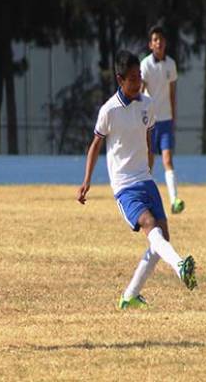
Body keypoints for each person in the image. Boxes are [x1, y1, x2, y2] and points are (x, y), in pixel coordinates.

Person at [77, 50, 197, 310]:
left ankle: (130, 295)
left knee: (161, 238)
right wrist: (87, 180)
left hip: (146, 180)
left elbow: (149, 136)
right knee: (149, 226)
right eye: (132, 78)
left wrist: (150, 161)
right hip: (124, 186)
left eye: (139, 77)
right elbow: (95, 145)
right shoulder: (108, 110)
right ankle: (179, 266)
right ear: (120, 79)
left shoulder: (147, 104)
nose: (137, 82)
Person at [140, 26, 184, 214]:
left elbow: (172, 93)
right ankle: (144, 200)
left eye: (161, 39)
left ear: (165, 43)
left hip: (166, 121)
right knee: (149, 163)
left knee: (167, 159)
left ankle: (174, 200)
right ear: (151, 44)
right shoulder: (145, 65)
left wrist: (174, 118)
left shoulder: (171, 65)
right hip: (150, 122)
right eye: (155, 39)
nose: (159, 42)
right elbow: (141, 92)